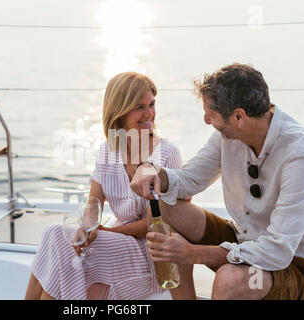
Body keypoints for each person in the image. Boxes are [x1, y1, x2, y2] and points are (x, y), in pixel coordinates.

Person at [131, 63, 304, 300]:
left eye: (211, 113)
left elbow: (277, 251)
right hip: (243, 240)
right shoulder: (228, 134)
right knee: (164, 209)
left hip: (294, 268)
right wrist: (151, 170)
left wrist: (192, 253)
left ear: (239, 116)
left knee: (229, 279)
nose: (206, 120)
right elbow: (189, 179)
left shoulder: (302, 154)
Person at [24, 72, 185, 300]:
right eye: (140, 107)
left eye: (152, 104)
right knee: (58, 238)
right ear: (119, 110)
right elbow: (94, 201)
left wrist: (106, 232)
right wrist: (88, 227)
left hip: (149, 253)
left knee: (59, 240)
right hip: (118, 241)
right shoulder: (109, 150)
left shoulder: (167, 153)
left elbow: (155, 222)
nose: (150, 113)